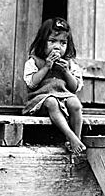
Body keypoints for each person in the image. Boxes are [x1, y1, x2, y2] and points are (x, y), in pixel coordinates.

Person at [22, 17, 86, 155]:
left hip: (63, 96)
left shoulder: (68, 63)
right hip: (41, 99)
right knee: (52, 102)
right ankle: (70, 136)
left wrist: (66, 72)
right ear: (42, 43)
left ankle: (76, 139)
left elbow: (74, 88)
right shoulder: (35, 61)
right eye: (52, 41)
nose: (57, 46)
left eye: (63, 43)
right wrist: (46, 67)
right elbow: (32, 84)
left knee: (75, 103)